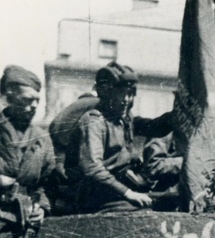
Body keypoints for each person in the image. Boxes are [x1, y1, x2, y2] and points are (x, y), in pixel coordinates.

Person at [65, 62, 173, 212]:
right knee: (145, 213)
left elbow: (154, 127)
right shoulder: (94, 122)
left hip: (116, 190)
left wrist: (176, 116)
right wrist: (128, 193)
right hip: (94, 196)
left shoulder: (123, 118)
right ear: (106, 93)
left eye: (131, 94)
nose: (127, 99)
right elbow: (92, 169)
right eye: (121, 93)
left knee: (170, 201)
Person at [0, 65, 56, 216]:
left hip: (23, 219)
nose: (34, 106)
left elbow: (47, 184)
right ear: (9, 97)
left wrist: (42, 208)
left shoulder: (42, 139)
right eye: (27, 100)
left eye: (37, 100)